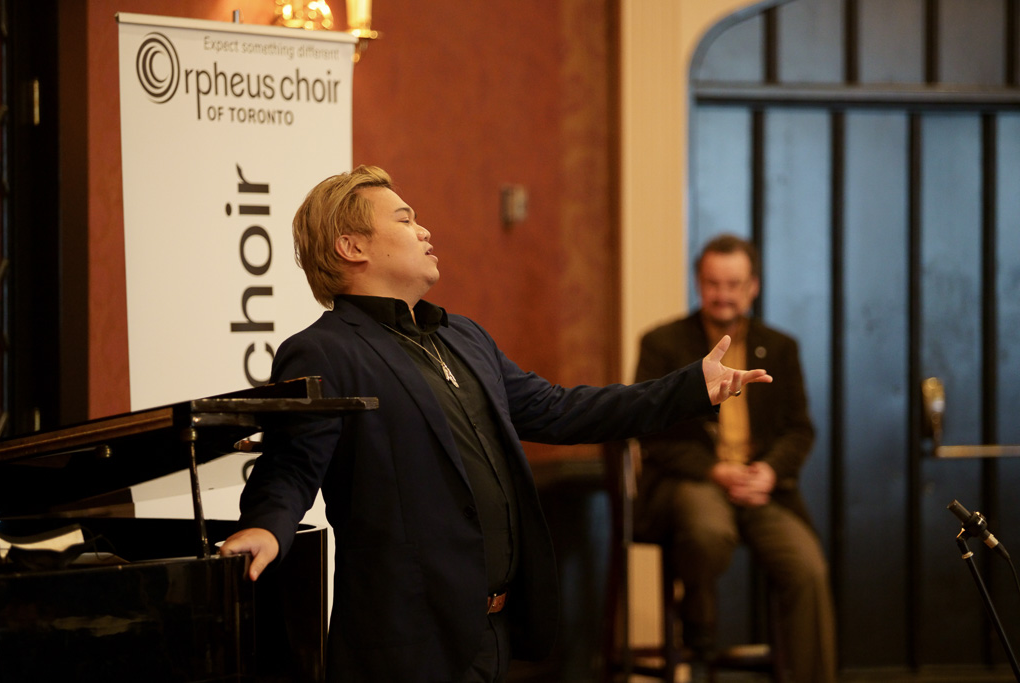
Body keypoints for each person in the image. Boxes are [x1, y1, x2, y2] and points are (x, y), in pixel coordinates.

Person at [219, 166, 772, 683]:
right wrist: (267, 526)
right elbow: (291, 464)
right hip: (403, 640)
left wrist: (691, 387)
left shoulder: (464, 337)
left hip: (493, 630)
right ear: (352, 246)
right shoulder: (322, 351)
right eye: (405, 220)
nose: (425, 229)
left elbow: (562, 409)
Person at [633, 234, 836, 683]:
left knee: (808, 568)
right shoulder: (662, 343)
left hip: (762, 490)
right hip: (692, 484)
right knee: (707, 528)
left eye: (733, 284)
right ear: (698, 283)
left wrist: (768, 471)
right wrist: (714, 471)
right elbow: (650, 434)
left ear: (753, 287)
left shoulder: (780, 347)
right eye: (712, 283)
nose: (722, 294)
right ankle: (699, 622)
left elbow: (799, 429)